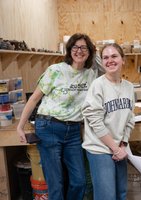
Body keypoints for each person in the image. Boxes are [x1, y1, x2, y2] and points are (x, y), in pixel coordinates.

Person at [17, 33, 98, 200]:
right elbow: (34, 98)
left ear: (89, 52)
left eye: (84, 47)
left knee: (79, 181)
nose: (79, 51)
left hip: (74, 131)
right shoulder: (56, 70)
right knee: (56, 183)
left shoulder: (91, 75)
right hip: (49, 127)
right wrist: (20, 126)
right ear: (69, 51)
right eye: (75, 47)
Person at [81, 43, 135, 200]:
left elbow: (130, 118)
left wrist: (123, 143)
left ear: (123, 60)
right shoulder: (98, 85)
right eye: (105, 57)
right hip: (100, 149)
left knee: (121, 194)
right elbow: (95, 121)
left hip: (119, 147)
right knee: (107, 196)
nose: (110, 60)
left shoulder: (129, 87)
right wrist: (115, 148)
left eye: (114, 56)